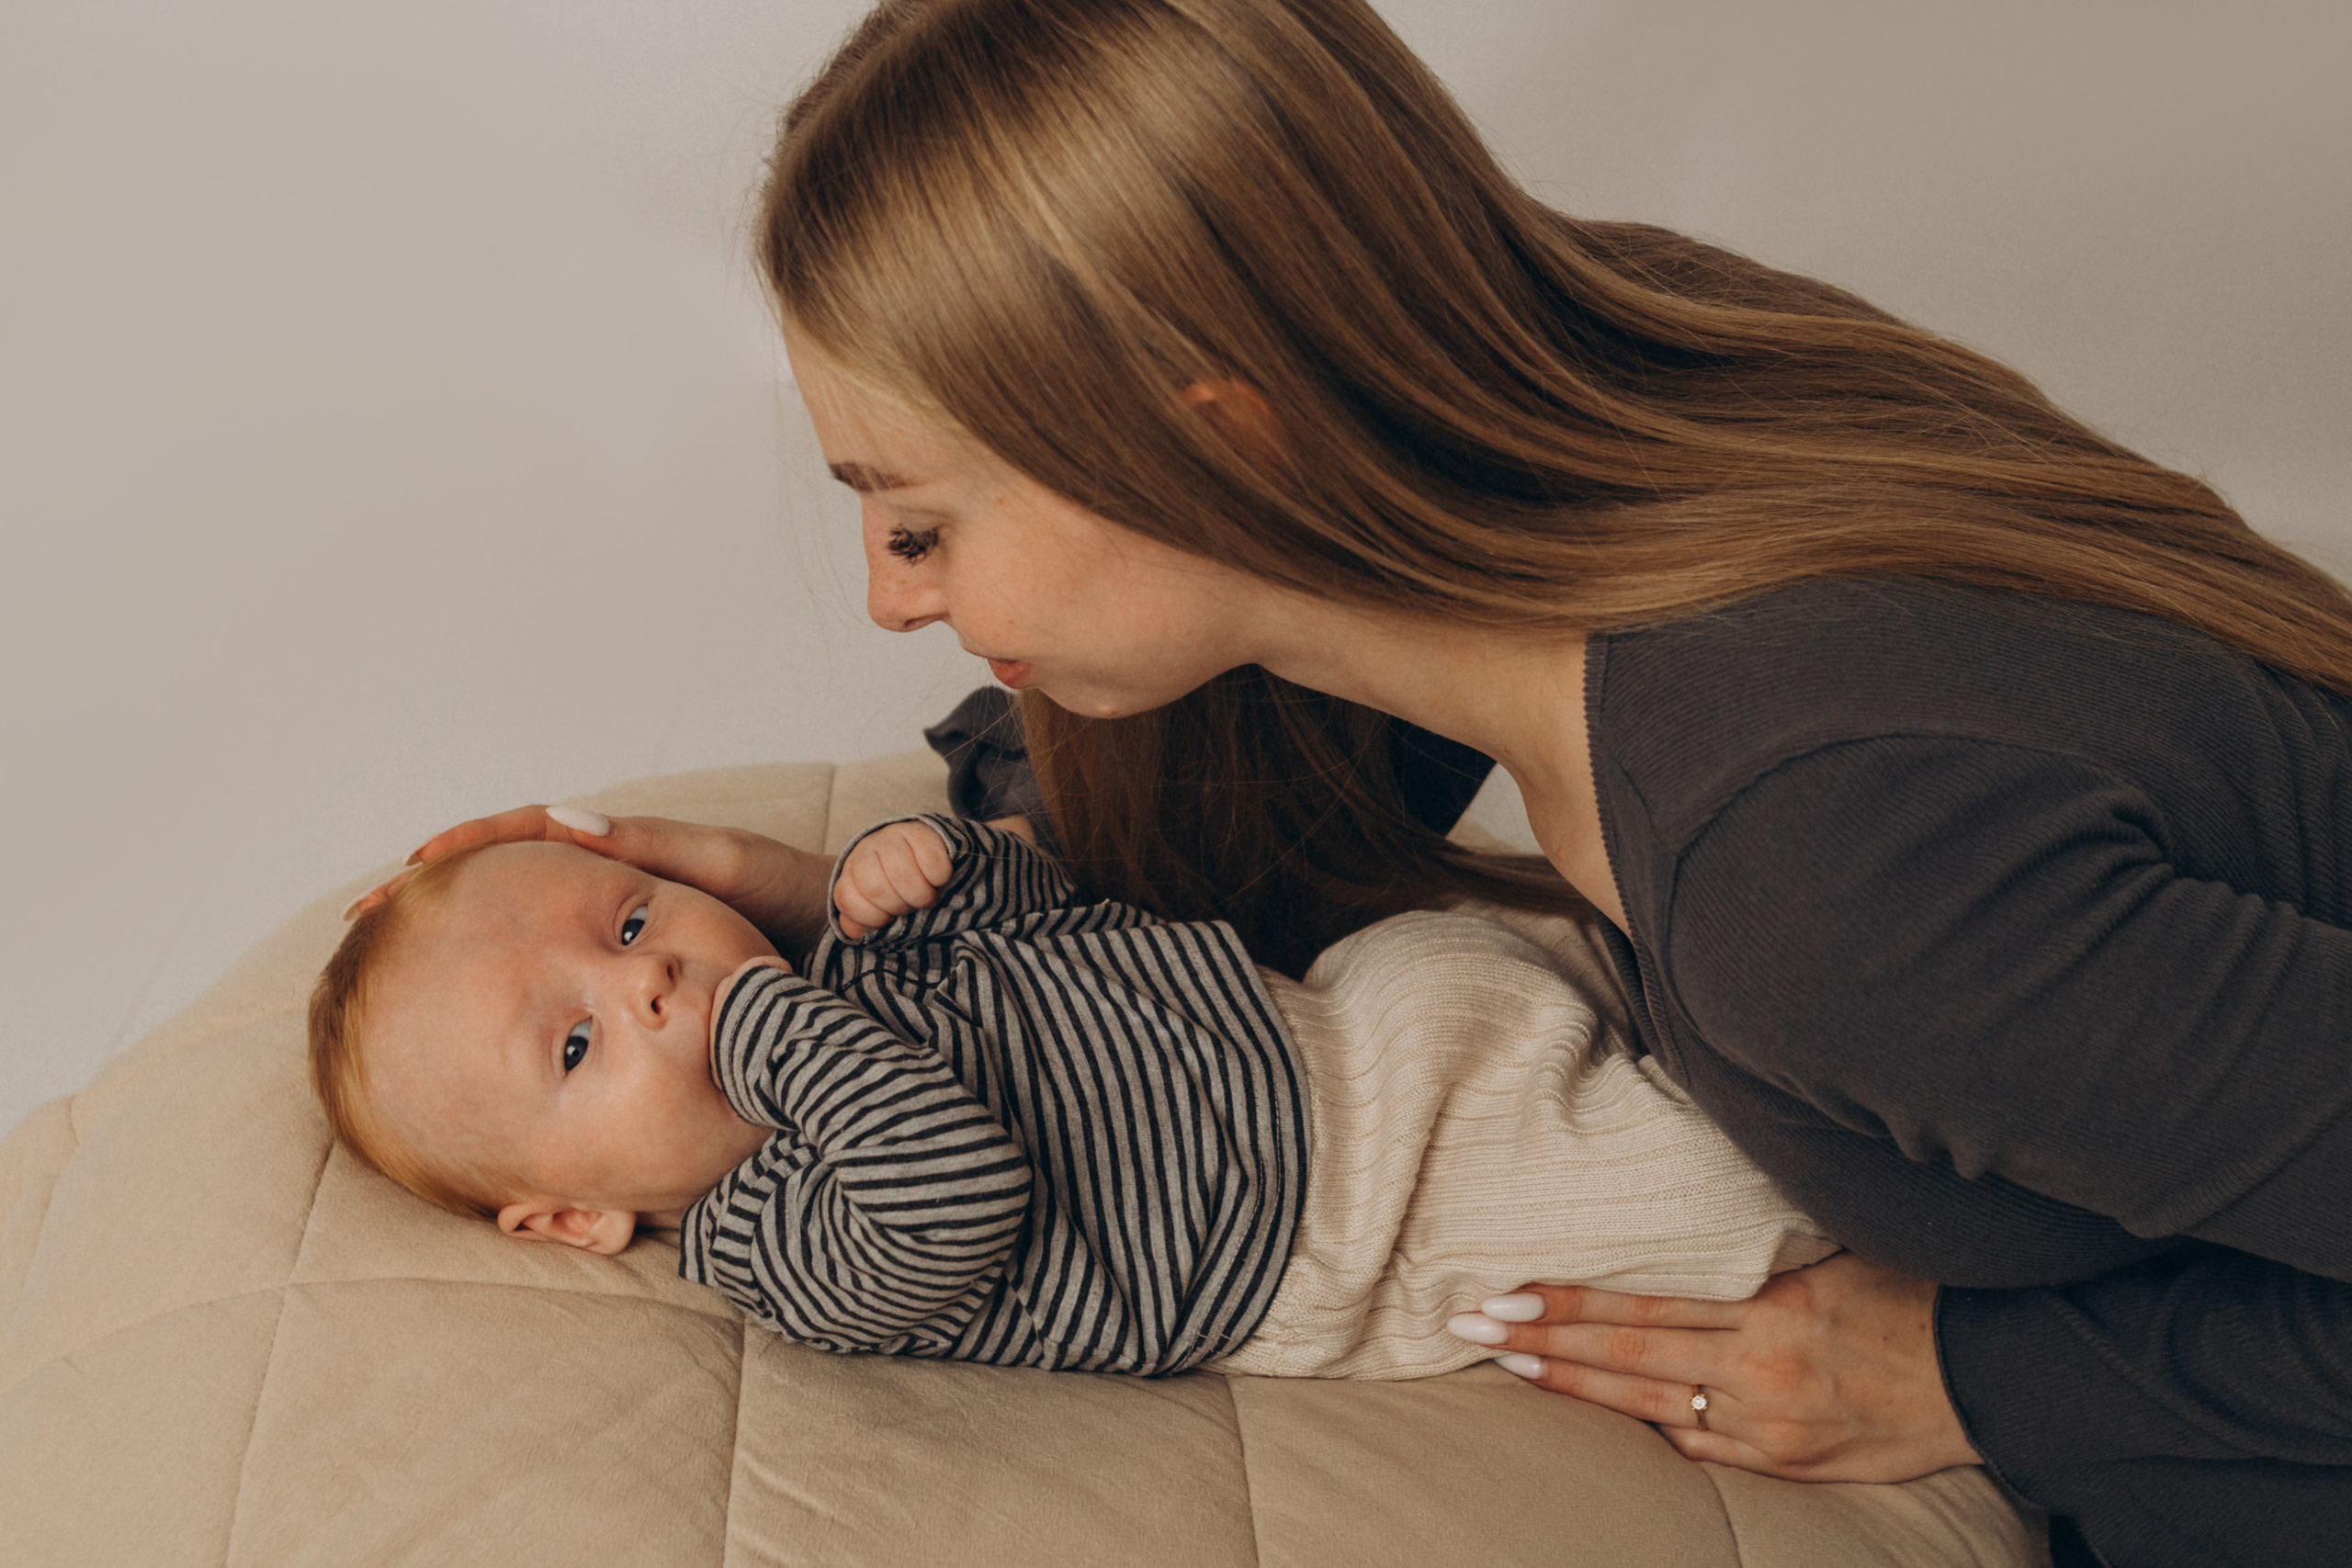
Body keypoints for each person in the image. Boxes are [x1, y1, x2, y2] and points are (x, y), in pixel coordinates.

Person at [393, 1, 2352, 1560]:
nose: (891, 601)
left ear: (1209, 449)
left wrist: (1985, 1370)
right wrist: (901, 893)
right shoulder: (1620, 396)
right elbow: (1226, 782)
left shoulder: (1818, 882)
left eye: (916, 522)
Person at [314, 810, 1832, 1378]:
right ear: (577, 1215)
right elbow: (962, 1181)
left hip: (1341, 1026)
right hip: (1349, 1224)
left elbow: (1078, 924)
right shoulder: (777, 1240)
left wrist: (956, 873)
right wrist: (762, 1015)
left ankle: (1711, 978)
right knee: (1725, 1180)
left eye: (632, 919)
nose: (644, 983)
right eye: (575, 1048)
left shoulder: (841, 973)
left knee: (1547, 930)